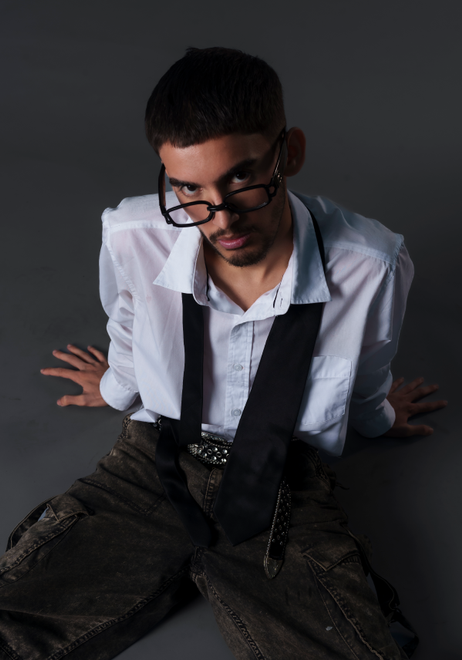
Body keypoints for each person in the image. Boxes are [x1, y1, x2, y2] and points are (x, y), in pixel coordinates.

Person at [0, 47, 447, 659]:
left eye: (241, 178)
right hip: (150, 468)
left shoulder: (372, 265)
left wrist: (379, 417)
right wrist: (115, 387)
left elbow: (365, 376)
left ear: (289, 153)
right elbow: (128, 327)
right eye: (188, 188)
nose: (220, 219)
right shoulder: (133, 235)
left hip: (283, 486)